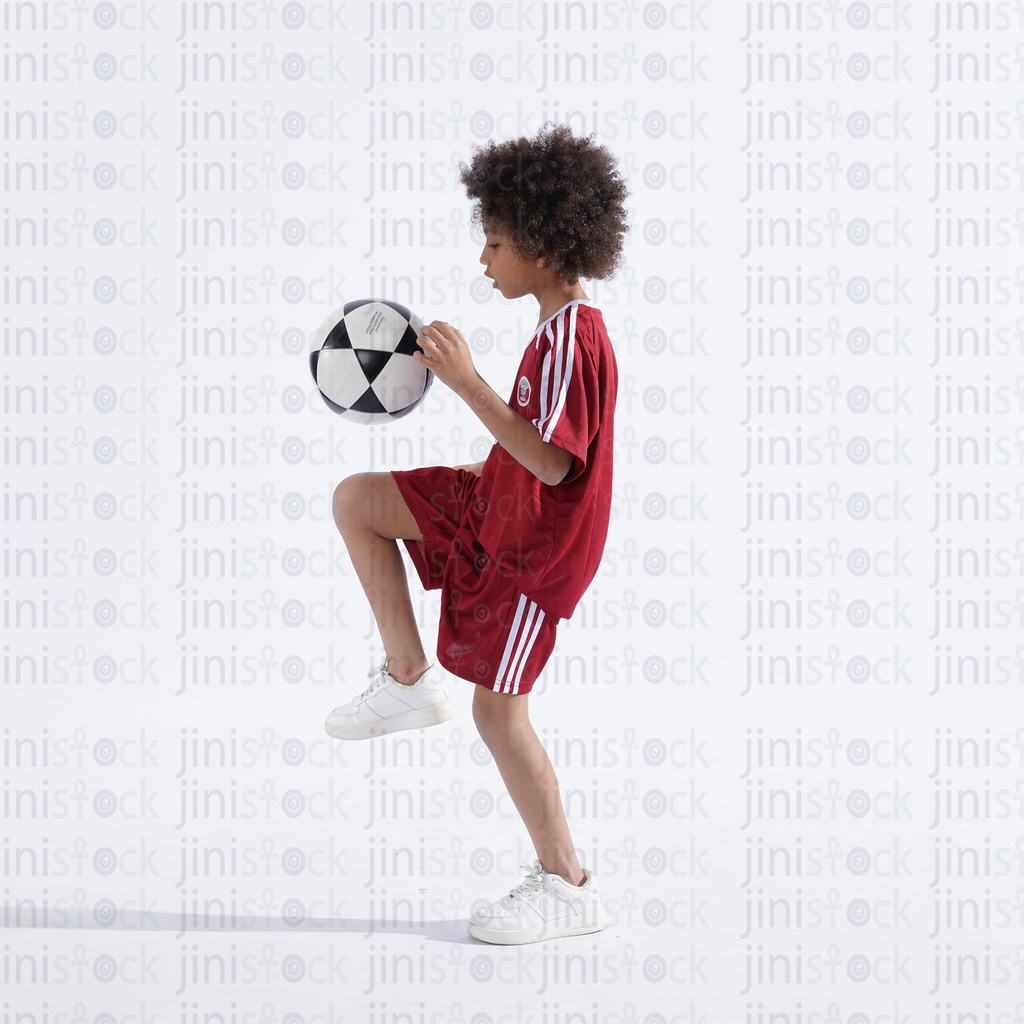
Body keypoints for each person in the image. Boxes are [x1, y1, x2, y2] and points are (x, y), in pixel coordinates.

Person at [324, 123, 629, 945]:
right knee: (357, 499)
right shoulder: (551, 329)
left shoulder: (577, 335)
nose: (484, 260)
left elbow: (557, 465)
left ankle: (567, 885)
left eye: (495, 243)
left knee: (500, 715)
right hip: (493, 504)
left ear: (541, 241)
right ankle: (407, 675)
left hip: (537, 550)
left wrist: (464, 383)